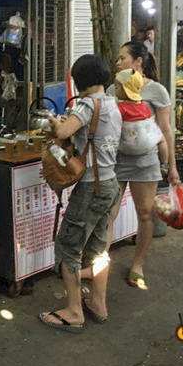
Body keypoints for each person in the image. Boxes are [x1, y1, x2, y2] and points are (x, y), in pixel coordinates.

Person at [81, 41, 179, 292]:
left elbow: (165, 130)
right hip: (116, 158)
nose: (117, 62)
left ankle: (138, 264)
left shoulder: (157, 91)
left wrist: (171, 166)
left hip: (146, 161)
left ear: (138, 62)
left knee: (145, 213)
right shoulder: (115, 88)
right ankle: (100, 264)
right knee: (108, 213)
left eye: (122, 58)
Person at [39, 54, 123, 333]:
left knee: (67, 247)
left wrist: (54, 122)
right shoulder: (113, 103)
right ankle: (99, 304)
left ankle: (74, 311)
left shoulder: (87, 104)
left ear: (80, 81)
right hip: (110, 184)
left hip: (91, 188)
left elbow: (63, 130)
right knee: (98, 250)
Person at [114, 69, 169, 167]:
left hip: (127, 148)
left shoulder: (120, 108)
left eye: (117, 88)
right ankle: (164, 163)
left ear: (125, 90)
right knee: (162, 140)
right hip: (147, 146)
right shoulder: (145, 106)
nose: (115, 91)